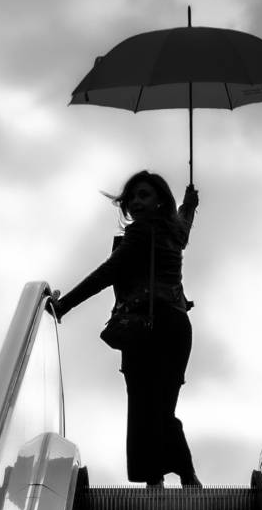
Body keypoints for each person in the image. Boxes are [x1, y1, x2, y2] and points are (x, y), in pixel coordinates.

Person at [49, 170, 201, 488]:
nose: (135, 202)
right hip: (175, 327)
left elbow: (108, 273)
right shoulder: (174, 232)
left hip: (146, 329)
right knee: (161, 406)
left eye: (143, 195)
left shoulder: (141, 232)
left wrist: (64, 305)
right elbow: (184, 225)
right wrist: (189, 205)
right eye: (131, 197)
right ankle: (184, 478)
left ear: (159, 200)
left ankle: (161, 479)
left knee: (146, 406)